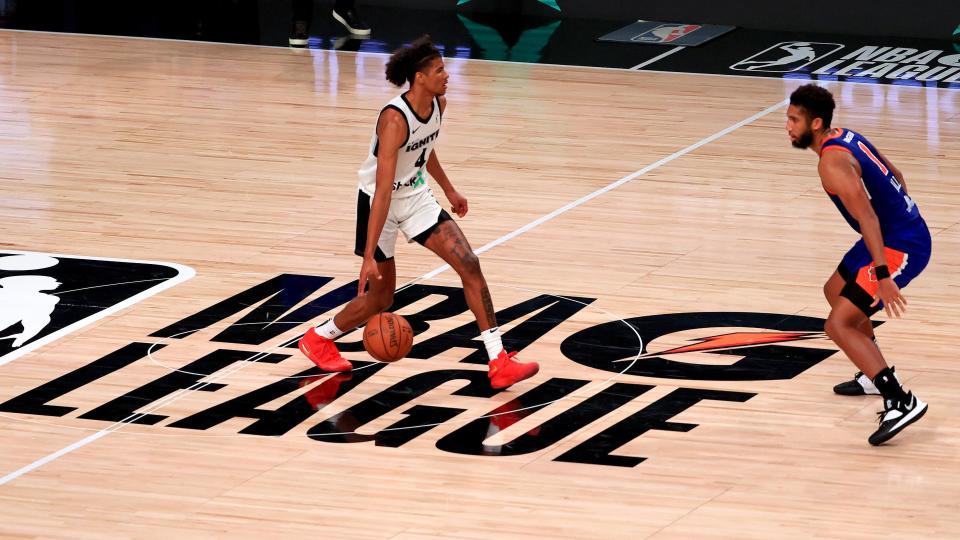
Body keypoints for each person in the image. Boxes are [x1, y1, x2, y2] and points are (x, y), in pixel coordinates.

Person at [299, 35, 539, 390]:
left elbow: (425, 148)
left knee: (469, 263)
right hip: (379, 203)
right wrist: (367, 256)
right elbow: (382, 190)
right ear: (419, 77)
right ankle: (319, 337)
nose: (447, 75)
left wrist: (449, 188)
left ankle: (498, 360)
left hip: (415, 196)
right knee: (381, 298)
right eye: (439, 70)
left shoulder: (439, 104)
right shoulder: (394, 119)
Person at [786, 84, 931, 445]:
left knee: (838, 324)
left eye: (794, 120)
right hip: (893, 233)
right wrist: (901, 213)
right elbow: (897, 174)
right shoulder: (846, 136)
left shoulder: (830, 162)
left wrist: (883, 273)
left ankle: (900, 399)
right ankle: (872, 372)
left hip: (900, 244)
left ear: (816, 123)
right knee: (834, 291)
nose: (787, 126)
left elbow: (868, 218)